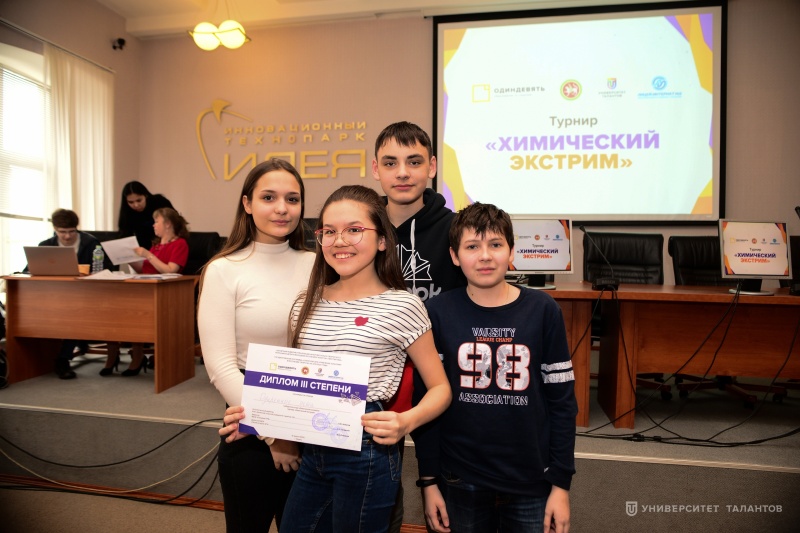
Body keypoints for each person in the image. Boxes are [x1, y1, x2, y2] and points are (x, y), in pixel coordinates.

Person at [220, 185, 452, 533]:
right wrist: (257, 416)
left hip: (366, 452)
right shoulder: (306, 302)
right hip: (311, 450)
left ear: (382, 240)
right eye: (329, 231)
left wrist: (406, 422)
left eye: (354, 229)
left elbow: (440, 389)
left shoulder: (403, 305)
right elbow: (298, 385)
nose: (339, 241)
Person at [414, 202, 577, 533]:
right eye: (472, 247)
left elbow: (562, 403)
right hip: (460, 478)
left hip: (531, 480)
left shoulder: (544, 310)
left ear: (512, 251)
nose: (485, 256)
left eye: (496, 244)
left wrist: (561, 485)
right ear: (455, 256)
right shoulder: (437, 313)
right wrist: (428, 481)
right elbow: (426, 401)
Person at [198, 158, 315, 532]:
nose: (282, 208)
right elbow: (221, 367)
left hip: (314, 416)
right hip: (249, 422)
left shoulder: (319, 264)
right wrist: (275, 434)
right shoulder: (223, 269)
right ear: (247, 203)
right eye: (269, 197)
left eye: (292, 199)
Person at [372, 121, 467, 531]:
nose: (402, 173)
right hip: (377, 376)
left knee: (446, 498)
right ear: (375, 169)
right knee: (376, 499)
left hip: (440, 374)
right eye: (390, 163)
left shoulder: (455, 228)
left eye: (413, 162)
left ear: (431, 166)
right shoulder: (362, 228)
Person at [102, 207, 189, 377]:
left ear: (168, 224)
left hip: (164, 293)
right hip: (145, 287)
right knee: (113, 310)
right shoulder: (156, 246)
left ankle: (137, 356)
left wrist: (148, 255)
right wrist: (128, 258)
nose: (154, 225)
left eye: (157, 221)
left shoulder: (180, 244)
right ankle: (114, 355)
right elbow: (145, 269)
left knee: (135, 314)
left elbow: (170, 270)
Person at [26, 208, 110, 379]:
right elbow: (29, 270)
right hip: (55, 295)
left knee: (74, 313)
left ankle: (63, 359)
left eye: (71, 231)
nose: (67, 236)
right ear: (54, 229)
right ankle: (40, 359)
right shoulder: (45, 246)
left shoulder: (91, 243)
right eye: (62, 232)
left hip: (86, 295)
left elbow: (108, 269)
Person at [118, 180, 174, 248]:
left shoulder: (160, 202)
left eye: (139, 200)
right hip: (142, 247)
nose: (136, 205)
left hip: (165, 244)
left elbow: (175, 222)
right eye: (131, 202)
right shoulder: (127, 211)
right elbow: (124, 234)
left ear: (145, 195)